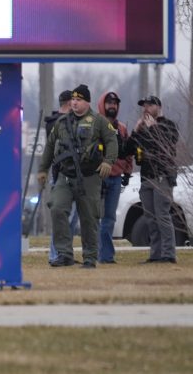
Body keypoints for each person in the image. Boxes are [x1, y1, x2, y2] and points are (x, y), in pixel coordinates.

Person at [38, 85, 118, 269]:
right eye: (73, 99)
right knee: (57, 208)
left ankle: (90, 257)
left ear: (87, 102)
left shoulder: (99, 121)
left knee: (89, 218)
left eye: (79, 99)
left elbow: (112, 141)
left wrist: (108, 161)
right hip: (65, 176)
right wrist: (43, 169)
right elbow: (50, 146)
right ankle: (64, 254)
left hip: (89, 177)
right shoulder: (62, 122)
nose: (74, 102)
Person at [123, 95, 179, 264]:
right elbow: (126, 151)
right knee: (150, 218)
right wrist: (135, 130)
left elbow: (167, 144)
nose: (146, 108)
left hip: (162, 176)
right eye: (144, 105)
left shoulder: (168, 126)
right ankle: (156, 254)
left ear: (158, 107)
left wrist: (154, 128)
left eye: (149, 105)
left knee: (162, 216)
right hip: (146, 177)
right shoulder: (143, 129)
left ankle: (168, 254)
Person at [96, 91, 133, 264]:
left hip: (116, 178)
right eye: (109, 103)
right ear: (102, 104)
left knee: (109, 218)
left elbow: (128, 153)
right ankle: (94, 253)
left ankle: (106, 256)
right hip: (97, 177)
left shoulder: (122, 129)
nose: (112, 106)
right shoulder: (94, 125)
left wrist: (127, 172)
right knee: (95, 217)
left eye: (115, 103)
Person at [43, 90, 80, 264]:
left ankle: (65, 253)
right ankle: (56, 254)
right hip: (60, 176)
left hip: (75, 175)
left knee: (71, 219)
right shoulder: (55, 123)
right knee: (62, 217)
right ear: (68, 104)